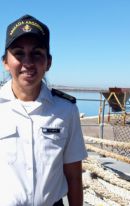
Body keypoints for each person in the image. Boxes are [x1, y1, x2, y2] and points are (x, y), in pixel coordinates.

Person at [0, 14, 88, 206]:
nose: (28, 62)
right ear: (5, 62)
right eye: (19, 53)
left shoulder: (66, 110)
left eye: (37, 53)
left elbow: (74, 177)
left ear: (48, 62)